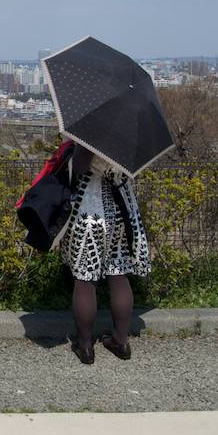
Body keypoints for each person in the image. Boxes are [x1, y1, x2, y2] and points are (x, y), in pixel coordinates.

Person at [60, 142, 152, 364]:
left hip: (91, 208)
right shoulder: (131, 130)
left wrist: (73, 151)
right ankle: (121, 341)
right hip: (122, 206)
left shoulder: (93, 133)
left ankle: (85, 346)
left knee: (85, 277)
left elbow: (81, 167)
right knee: (118, 273)